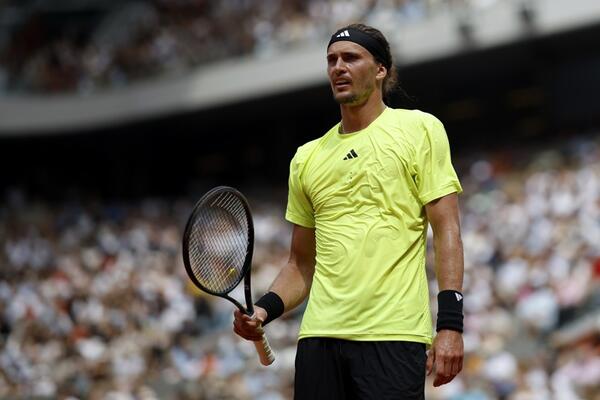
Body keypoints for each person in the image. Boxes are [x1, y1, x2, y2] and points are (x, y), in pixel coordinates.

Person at [234, 23, 464, 399]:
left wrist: (451, 324)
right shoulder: (306, 158)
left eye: (351, 58)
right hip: (319, 338)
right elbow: (300, 263)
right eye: (332, 60)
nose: (338, 67)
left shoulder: (420, 128)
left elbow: (447, 229)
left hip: (392, 334)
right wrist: (263, 311)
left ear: (380, 69)